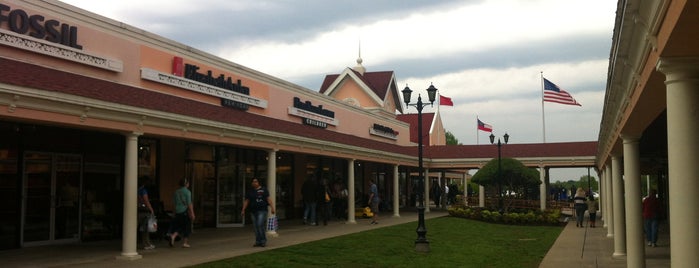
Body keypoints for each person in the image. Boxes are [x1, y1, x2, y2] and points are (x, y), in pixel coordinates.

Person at [241, 178, 275, 247]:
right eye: (253, 182)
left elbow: (268, 199)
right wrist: (243, 210)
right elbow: (246, 201)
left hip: (262, 210)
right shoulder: (250, 191)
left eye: (256, 182)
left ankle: (263, 241)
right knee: (256, 227)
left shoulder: (264, 190)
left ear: (259, 182)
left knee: (260, 224)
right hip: (253, 211)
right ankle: (258, 241)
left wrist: (272, 208)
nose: (254, 183)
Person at [168, 178, 195, 248]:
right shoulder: (187, 192)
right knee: (186, 227)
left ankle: (173, 236)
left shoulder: (176, 192)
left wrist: (174, 212)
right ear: (186, 184)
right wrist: (192, 213)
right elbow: (189, 203)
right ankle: (184, 242)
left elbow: (174, 203)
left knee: (180, 226)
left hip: (177, 211)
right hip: (185, 211)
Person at [137, 176, 155, 250]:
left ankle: (146, 243)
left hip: (139, 209)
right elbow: (146, 200)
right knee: (146, 228)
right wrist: (151, 209)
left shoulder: (138, 190)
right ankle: (146, 243)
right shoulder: (143, 190)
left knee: (143, 228)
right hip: (144, 210)